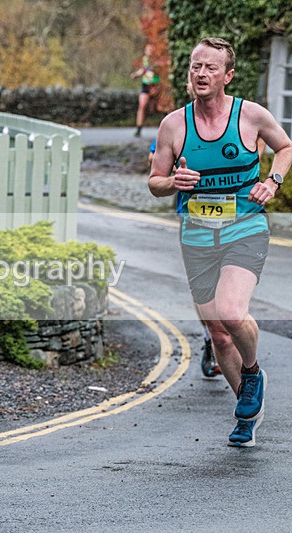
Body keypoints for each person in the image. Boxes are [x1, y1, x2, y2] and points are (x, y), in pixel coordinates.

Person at [149, 37, 292, 447]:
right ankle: (246, 410)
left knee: (231, 313)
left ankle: (252, 372)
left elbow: (284, 147)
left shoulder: (250, 115)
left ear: (227, 76)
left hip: (245, 226)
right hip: (196, 233)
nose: (200, 73)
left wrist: (271, 181)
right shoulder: (174, 125)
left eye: (210, 67)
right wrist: (172, 181)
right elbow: (155, 182)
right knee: (217, 331)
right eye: (195, 66)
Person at [149, 81, 221, 379]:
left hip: (238, 219)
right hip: (193, 216)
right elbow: (155, 172)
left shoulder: (234, 121)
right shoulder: (176, 124)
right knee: (204, 287)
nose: (197, 83)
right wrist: (174, 178)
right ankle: (211, 340)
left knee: (230, 286)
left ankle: (227, 333)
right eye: (192, 78)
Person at [131, 43, 160, 137]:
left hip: (156, 85)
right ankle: (139, 128)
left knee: (156, 108)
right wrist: (135, 75)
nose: (150, 52)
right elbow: (142, 70)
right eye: (148, 50)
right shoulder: (144, 60)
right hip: (146, 84)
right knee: (142, 105)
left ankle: (164, 128)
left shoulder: (158, 60)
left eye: (152, 50)